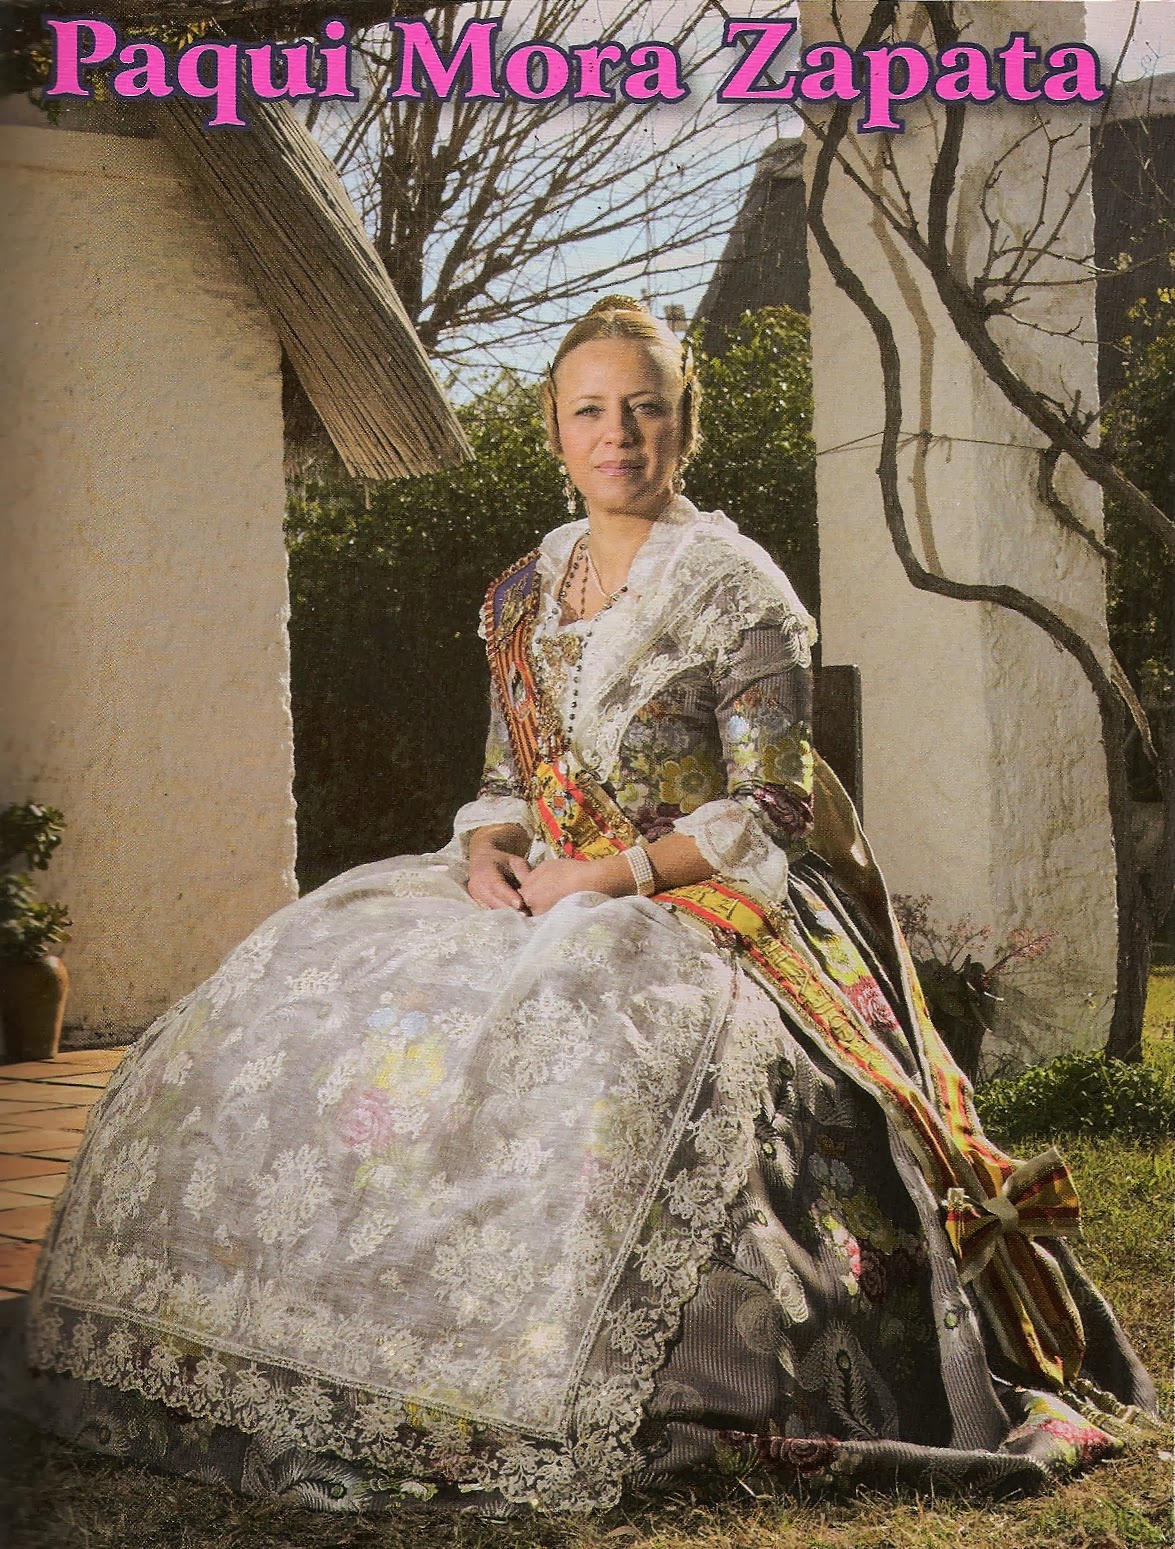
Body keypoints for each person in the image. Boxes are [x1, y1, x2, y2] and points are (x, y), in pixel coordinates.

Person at [9, 298, 1154, 1516]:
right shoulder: (521, 591)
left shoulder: (738, 589)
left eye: (645, 408)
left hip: (700, 898)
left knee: (585, 1047)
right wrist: (490, 850)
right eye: (591, 411)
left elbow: (768, 807)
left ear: (684, 426)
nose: (619, 434)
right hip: (538, 884)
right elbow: (501, 779)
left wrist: (600, 878)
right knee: (309, 997)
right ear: (556, 431)